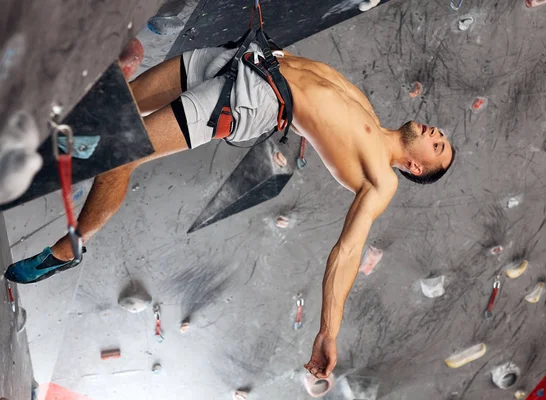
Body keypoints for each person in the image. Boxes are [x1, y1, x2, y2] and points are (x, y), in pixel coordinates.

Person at [5, 41, 454, 378]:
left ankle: (68, 251)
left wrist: (328, 331)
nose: (436, 134)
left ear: (415, 166)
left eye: (438, 148)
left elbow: (348, 251)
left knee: (125, 150)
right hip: (243, 57)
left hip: (250, 100)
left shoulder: (381, 178)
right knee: (116, 108)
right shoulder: (371, 115)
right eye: (441, 136)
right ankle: (47, 143)